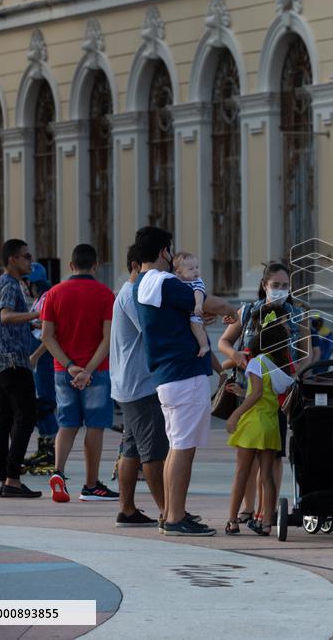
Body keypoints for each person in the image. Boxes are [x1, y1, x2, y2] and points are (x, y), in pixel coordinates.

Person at [133, 226, 238, 536]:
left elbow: (181, 313)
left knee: (176, 446)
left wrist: (197, 315)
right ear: (164, 252)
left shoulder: (142, 283)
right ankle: (175, 517)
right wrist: (233, 312)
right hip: (184, 373)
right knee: (183, 448)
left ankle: (170, 512)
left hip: (167, 375)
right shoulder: (165, 281)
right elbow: (209, 302)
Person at [217, 261, 309, 529]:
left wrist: (294, 374)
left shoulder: (297, 314)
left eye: (285, 286)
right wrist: (235, 355)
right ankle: (248, 509)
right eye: (275, 285)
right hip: (247, 390)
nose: (280, 290)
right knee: (247, 461)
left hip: (278, 397)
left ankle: (265, 512)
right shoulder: (248, 311)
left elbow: (307, 353)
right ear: (264, 286)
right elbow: (224, 342)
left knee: (272, 459)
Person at [40, 245, 117, 503]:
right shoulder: (105, 294)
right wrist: (88, 370)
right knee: (95, 426)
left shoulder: (54, 293)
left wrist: (70, 365)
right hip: (97, 372)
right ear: (95, 266)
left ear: (71, 266)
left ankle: (58, 472)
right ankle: (91, 485)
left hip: (63, 371)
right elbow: (107, 338)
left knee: (67, 423)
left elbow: (47, 337)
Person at [110, 245, 167, 528]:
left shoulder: (127, 293)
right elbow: (153, 330)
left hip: (128, 384)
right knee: (152, 451)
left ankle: (127, 509)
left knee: (131, 449)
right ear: (136, 266)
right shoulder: (133, 295)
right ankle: (169, 512)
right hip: (141, 386)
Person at [225, 311, 294, 536]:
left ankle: (232, 521)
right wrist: (243, 392)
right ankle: (266, 523)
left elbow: (256, 394)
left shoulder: (256, 362)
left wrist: (236, 414)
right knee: (267, 475)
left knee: (242, 472)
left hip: (253, 424)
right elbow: (272, 394)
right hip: (271, 425)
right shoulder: (276, 367)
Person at [0, 239, 42, 498]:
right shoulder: (9, 283)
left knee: (4, 419)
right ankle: (12, 478)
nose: (31, 261)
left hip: (1, 361)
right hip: (12, 361)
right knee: (26, 416)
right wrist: (37, 315)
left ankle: (5, 478)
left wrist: (30, 324)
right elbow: (6, 316)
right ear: (13, 259)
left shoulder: (5, 283)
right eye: (26, 256)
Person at [24, 263, 59, 475]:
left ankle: (51, 451)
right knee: (37, 404)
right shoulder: (38, 300)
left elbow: (51, 333)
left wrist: (35, 356)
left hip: (43, 358)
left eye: (25, 282)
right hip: (37, 357)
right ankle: (43, 446)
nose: (24, 286)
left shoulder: (46, 298)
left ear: (33, 282)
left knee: (45, 404)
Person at [172, 252, 212, 358]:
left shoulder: (197, 281)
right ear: (178, 273)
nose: (196, 271)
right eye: (191, 269)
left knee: (196, 325)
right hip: (184, 312)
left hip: (195, 311)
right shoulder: (176, 281)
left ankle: (204, 345)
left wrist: (198, 305)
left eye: (197, 267)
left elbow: (198, 292)